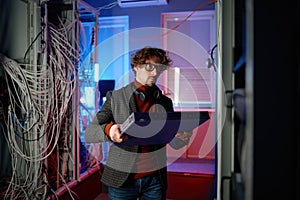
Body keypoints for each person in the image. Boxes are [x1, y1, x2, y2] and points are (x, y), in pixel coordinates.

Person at [85, 46, 191, 200]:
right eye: (150, 67)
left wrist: (181, 137)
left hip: (155, 179)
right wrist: (110, 130)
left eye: (159, 68)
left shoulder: (165, 102)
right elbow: (90, 132)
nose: (155, 73)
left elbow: (172, 141)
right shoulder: (116, 97)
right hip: (122, 179)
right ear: (136, 67)